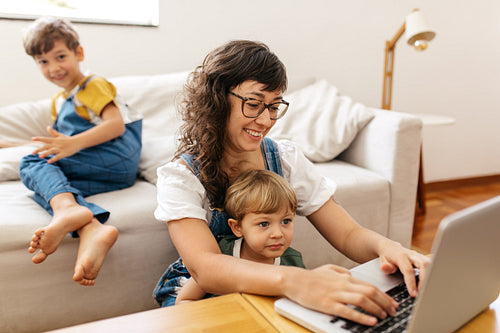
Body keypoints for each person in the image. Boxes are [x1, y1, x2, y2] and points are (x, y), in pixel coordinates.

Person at [153, 40, 429, 326]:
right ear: (218, 99)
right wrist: (297, 281)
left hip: (269, 286)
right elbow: (206, 268)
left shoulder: (284, 158)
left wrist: (392, 248)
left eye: (273, 107)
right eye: (254, 104)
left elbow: (348, 234)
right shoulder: (182, 176)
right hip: (198, 295)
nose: (264, 120)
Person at [18, 16, 142, 286]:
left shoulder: (92, 85)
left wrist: (72, 144)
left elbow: (116, 125)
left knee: (30, 163)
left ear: (79, 53)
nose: (54, 67)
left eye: (60, 56)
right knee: (49, 187)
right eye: (43, 61)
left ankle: (69, 213)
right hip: (103, 168)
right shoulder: (58, 101)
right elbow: (55, 146)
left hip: (116, 154)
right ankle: (91, 228)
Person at [176, 169, 305, 304]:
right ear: (237, 228)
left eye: (286, 221)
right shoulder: (222, 255)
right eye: (264, 224)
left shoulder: (293, 262)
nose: (278, 234)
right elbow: (184, 300)